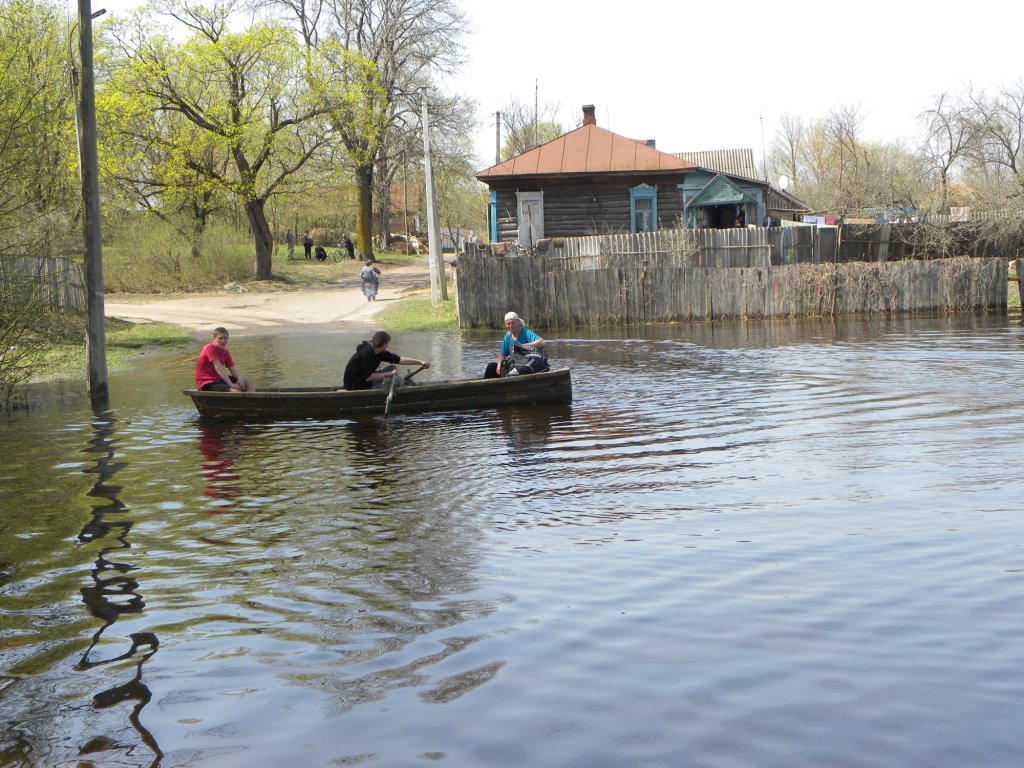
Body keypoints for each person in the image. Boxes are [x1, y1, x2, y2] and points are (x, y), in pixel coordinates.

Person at [343, 331, 430, 391]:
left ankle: (398, 384)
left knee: (392, 367)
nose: (388, 345)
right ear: (384, 344)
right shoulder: (366, 354)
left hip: (365, 379)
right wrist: (389, 374)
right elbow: (369, 377)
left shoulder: (379, 352)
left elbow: (399, 359)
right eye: (388, 343)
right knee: (394, 384)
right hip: (356, 386)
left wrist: (420, 362)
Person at [483, 311, 547, 379]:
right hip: (514, 365)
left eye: (513, 323)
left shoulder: (525, 332)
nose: (511, 326)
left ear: (518, 322)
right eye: (508, 324)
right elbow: (502, 354)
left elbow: (542, 342)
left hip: (526, 364)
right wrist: (498, 366)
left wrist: (523, 346)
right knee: (491, 366)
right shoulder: (508, 336)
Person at [194, 327, 255, 392]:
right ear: (214, 338)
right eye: (220, 338)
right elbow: (218, 367)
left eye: (225, 338)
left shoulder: (225, 351)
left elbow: (232, 368)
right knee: (235, 391)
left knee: (247, 380)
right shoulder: (209, 347)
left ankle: (253, 398)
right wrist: (231, 384)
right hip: (206, 382)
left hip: (218, 379)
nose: (223, 341)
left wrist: (240, 378)